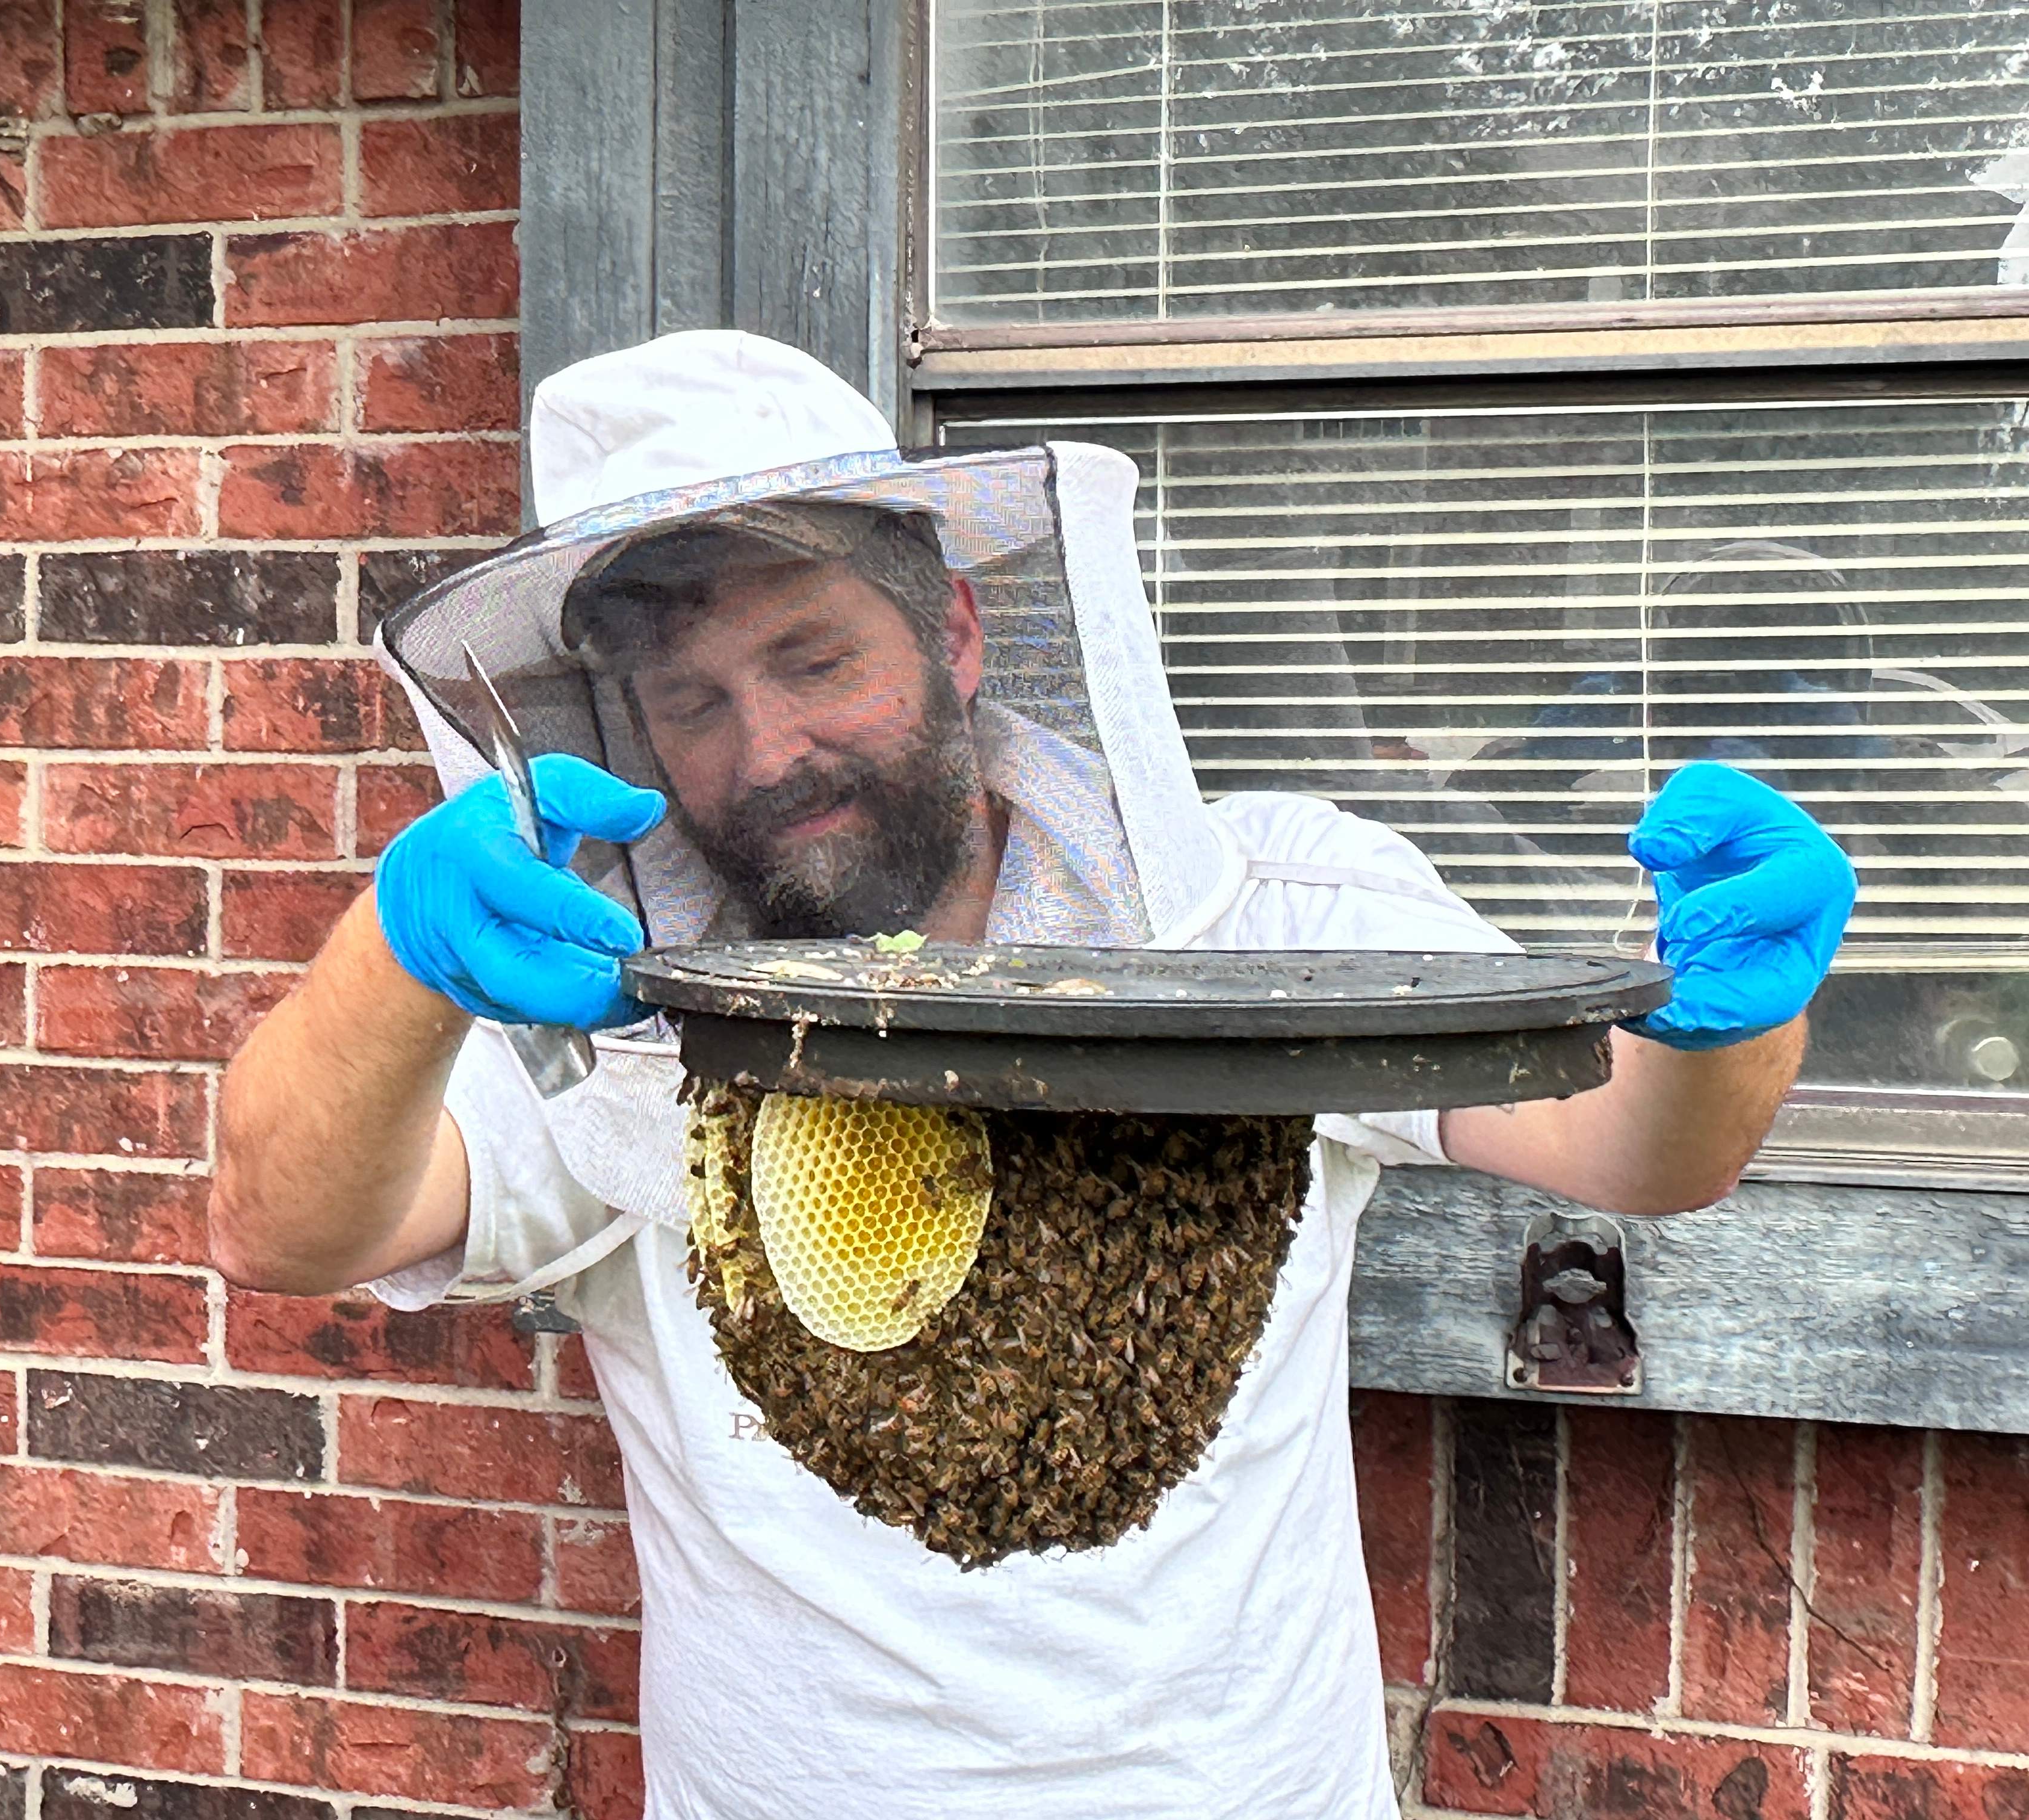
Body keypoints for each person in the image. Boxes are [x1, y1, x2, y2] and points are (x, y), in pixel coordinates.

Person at [212, 331, 1855, 1819]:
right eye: (694, 705)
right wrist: (397, 954)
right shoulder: (607, 1017)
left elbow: (1638, 1146)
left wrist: (1728, 1020)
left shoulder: (1265, 909)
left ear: (960, 632)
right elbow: (281, 1229)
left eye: (813, 659)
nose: (768, 751)